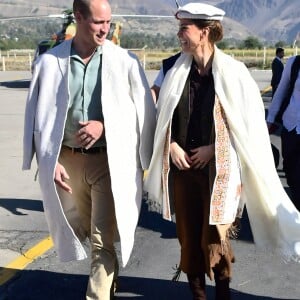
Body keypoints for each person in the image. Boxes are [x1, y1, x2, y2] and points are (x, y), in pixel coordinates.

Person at [144, 2, 300, 300]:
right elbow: (156, 114)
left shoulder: (234, 73)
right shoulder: (169, 69)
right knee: (189, 241)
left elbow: (248, 125)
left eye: (184, 29)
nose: (179, 34)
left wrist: (214, 150)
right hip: (182, 171)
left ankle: (223, 294)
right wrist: (171, 145)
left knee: (215, 238)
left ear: (204, 32)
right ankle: (199, 295)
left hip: (221, 174)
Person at [22, 0, 156, 299]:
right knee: (79, 229)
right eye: (98, 22)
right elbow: (37, 115)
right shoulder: (49, 62)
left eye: (108, 22)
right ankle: (109, 278)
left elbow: (142, 112)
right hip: (67, 163)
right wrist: (48, 160)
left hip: (108, 162)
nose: (105, 29)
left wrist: (104, 127)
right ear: (79, 18)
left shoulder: (125, 61)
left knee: (101, 239)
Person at [267, 55, 300, 211]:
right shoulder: (295, 63)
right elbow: (281, 91)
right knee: (291, 171)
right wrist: (270, 119)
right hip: (291, 127)